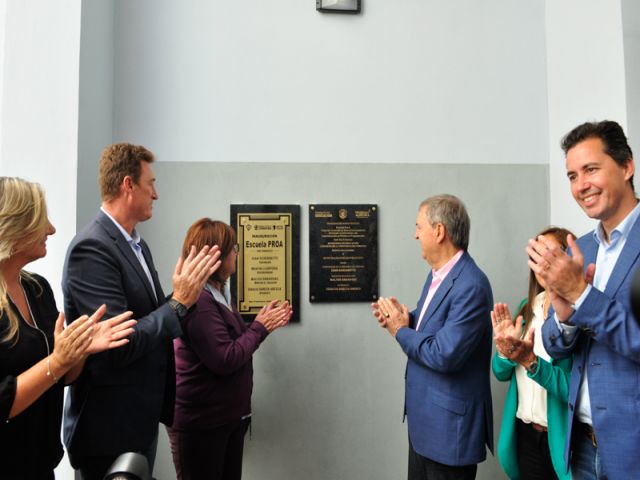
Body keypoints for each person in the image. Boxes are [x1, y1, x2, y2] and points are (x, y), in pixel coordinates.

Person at [62, 143, 221, 480]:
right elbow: (120, 342)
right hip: (109, 428)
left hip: (138, 418)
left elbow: (147, 316)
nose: (157, 194)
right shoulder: (92, 248)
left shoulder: (136, 243)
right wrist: (178, 303)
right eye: (151, 184)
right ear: (127, 184)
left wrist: (184, 298)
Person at [0, 176, 136, 479]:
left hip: (40, 463)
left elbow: (61, 378)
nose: (51, 229)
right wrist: (58, 360)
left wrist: (79, 351)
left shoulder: (37, 289)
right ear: (15, 225)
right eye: (41, 220)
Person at [531, 120, 640, 479]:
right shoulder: (582, 247)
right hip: (581, 446)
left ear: (627, 166)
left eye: (591, 169)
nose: (581, 186)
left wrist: (581, 295)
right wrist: (562, 318)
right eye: (572, 176)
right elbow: (556, 346)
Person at [372, 194, 493, 480]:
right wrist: (407, 318)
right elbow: (435, 326)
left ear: (439, 231)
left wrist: (400, 330)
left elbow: (444, 354)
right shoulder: (438, 274)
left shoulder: (471, 285)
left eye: (418, 226)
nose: (415, 235)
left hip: (450, 435)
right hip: (425, 427)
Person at [167, 218, 292, 480]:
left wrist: (261, 324)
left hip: (225, 418)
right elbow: (225, 358)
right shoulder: (199, 300)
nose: (237, 252)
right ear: (216, 255)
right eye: (233, 247)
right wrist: (260, 327)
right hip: (202, 424)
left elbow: (230, 341)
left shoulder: (219, 293)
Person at [491, 227, 573, 480]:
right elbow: (500, 373)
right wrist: (505, 350)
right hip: (526, 435)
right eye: (536, 255)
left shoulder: (576, 317)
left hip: (559, 438)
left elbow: (575, 391)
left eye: (548, 253)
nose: (541, 262)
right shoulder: (527, 308)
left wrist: (532, 362)